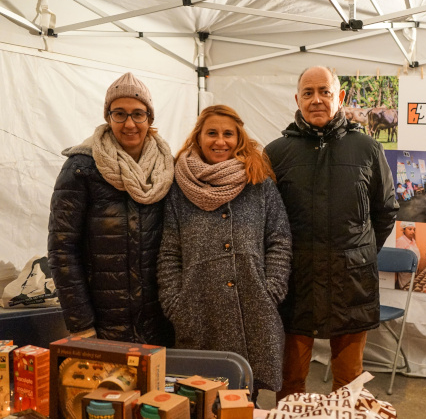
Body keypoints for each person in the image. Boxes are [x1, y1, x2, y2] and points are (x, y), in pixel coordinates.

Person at [265, 66, 398, 400]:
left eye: (324, 91)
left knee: (349, 381)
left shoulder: (367, 149)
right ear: (297, 99)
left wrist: (360, 253)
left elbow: (385, 211)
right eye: (308, 93)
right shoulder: (276, 153)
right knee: (290, 380)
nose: (316, 99)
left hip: (350, 284)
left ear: (339, 98)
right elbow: (264, 219)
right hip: (296, 282)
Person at [157, 105, 291, 398]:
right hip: (197, 310)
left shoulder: (259, 182)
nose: (220, 141)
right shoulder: (179, 187)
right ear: (198, 137)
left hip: (253, 308)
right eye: (212, 133)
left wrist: (273, 289)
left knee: (245, 398)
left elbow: (279, 239)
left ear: (239, 138)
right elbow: (169, 251)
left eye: (228, 134)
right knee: (198, 397)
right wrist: (174, 302)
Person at [48, 72, 174, 345]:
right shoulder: (81, 168)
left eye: (138, 114)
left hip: (161, 324)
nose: (130, 123)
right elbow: (62, 249)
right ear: (108, 117)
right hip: (105, 326)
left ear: (150, 119)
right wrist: (81, 325)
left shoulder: (167, 169)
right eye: (120, 113)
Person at [395, 222, 421, 290]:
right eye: (410, 229)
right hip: (405, 275)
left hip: (413, 273)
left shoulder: (413, 240)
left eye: (413, 229)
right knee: (405, 290)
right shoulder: (400, 241)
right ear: (404, 230)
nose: (412, 231)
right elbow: (398, 259)